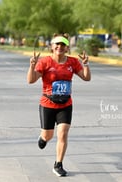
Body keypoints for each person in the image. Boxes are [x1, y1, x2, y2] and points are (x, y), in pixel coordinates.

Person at [26, 33, 91, 177]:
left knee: (63, 134)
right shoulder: (45, 62)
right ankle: (43, 138)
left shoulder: (73, 62)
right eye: (57, 44)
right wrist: (32, 66)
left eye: (62, 45)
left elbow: (86, 78)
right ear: (52, 46)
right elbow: (31, 80)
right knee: (48, 136)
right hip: (48, 104)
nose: (59, 47)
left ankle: (58, 164)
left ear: (67, 48)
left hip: (65, 104)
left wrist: (86, 64)